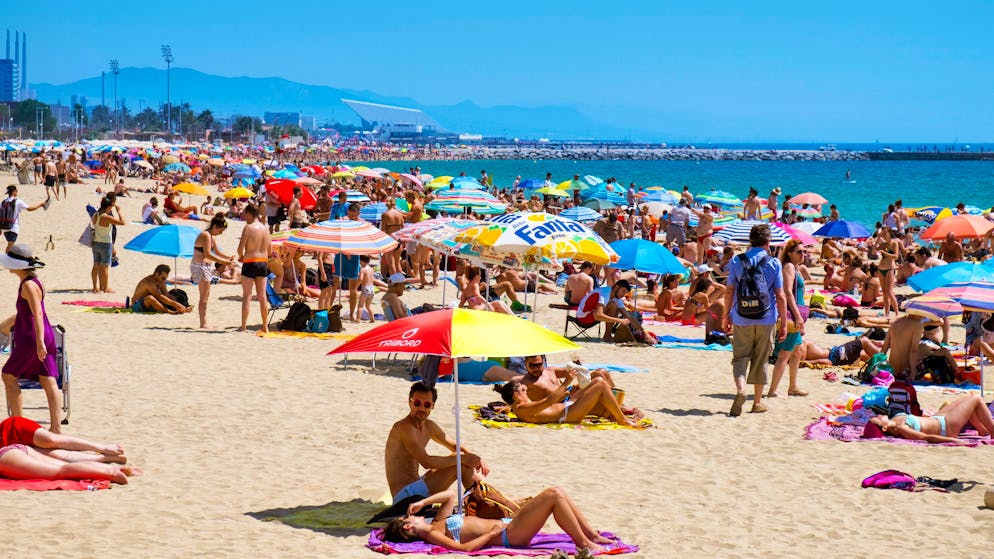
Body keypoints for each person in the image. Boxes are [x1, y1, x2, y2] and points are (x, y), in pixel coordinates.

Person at [384, 488, 611, 554]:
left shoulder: (437, 524)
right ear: (408, 526)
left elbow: (451, 495)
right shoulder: (432, 534)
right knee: (552, 496)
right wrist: (490, 535)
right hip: (507, 535)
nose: (412, 515)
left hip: (507, 525)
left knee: (557, 492)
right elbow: (464, 549)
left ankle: (590, 535)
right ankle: (583, 542)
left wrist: (423, 502)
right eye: (410, 517)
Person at [384, 382, 488, 505]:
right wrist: (464, 459)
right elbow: (426, 462)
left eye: (427, 404)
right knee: (460, 464)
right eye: (417, 403)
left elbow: (454, 445)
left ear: (433, 405)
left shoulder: (428, 426)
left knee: (459, 457)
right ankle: (487, 501)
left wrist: (474, 457)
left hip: (416, 487)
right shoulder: (404, 428)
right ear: (410, 402)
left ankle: (488, 498)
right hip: (404, 498)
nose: (422, 408)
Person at [722, 224, 788, 416]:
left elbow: (729, 291)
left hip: (741, 317)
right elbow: (781, 295)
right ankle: (757, 402)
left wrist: (726, 315)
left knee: (740, 358)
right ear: (768, 242)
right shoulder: (774, 263)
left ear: (750, 241)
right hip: (766, 318)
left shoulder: (736, 261)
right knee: (761, 359)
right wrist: (783, 323)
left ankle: (741, 389)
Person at [0, 245, 63, 433]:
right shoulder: (35, 281)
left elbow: (36, 313)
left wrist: (40, 342)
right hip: (42, 334)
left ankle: (17, 424)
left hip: (32, 337)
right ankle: (56, 428)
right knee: (47, 378)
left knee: (8, 375)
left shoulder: (27, 285)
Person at [767, 240, 808, 399]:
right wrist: (798, 316)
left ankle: (792, 387)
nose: (803, 254)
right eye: (799, 251)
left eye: (804, 251)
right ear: (789, 253)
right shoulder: (789, 267)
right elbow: (788, 292)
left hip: (794, 312)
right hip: (791, 314)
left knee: (797, 351)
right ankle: (773, 391)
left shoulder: (796, 268)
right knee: (785, 354)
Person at [868, 393, 994, 444]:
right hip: (946, 427)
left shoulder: (894, 418)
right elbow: (926, 438)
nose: (878, 416)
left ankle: (982, 430)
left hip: (938, 418)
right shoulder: (902, 428)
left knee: (969, 399)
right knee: (976, 398)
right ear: (884, 427)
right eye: (878, 419)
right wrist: (955, 441)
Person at [1, 415, 125, 464]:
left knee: (51, 440)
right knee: (53, 456)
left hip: (10, 430)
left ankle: (101, 447)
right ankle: (104, 458)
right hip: (7, 449)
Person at [192, 215, 235, 329]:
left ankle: (204, 322)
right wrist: (225, 262)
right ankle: (203, 323)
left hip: (204, 266)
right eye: (220, 230)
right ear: (215, 226)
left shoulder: (211, 236)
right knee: (204, 297)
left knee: (206, 296)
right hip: (200, 266)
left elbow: (217, 251)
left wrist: (228, 258)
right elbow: (208, 254)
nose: (221, 233)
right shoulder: (206, 235)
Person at [236, 204, 271, 333]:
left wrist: (241, 257)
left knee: (247, 296)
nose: (245, 217)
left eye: (245, 214)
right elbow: (270, 251)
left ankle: (243, 326)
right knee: (262, 296)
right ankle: (265, 326)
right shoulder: (265, 229)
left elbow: (240, 249)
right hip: (262, 262)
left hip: (250, 262)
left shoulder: (248, 228)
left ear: (250, 214)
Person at [90, 196, 125, 293]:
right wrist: (119, 211)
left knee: (96, 265)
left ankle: (95, 287)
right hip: (105, 244)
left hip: (96, 242)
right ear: (108, 207)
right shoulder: (106, 217)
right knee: (105, 267)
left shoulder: (96, 215)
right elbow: (122, 222)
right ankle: (105, 288)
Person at [1, 185, 48, 251]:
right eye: (16, 191)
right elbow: (30, 209)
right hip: (13, 227)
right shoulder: (18, 201)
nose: (17, 192)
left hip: (4, 227)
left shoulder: (3, 202)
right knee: (10, 245)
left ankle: (8, 259)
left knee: (10, 245)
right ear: (14, 192)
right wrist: (40, 205)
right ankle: (7, 259)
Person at [798, 335, 884, 366]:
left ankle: (878, 351)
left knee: (861, 353)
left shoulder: (800, 344)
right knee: (864, 340)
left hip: (835, 353)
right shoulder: (800, 345)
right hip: (836, 355)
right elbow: (802, 362)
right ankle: (883, 360)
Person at [875, 228, 900, 318]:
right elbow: (874, 251)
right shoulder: (883, 244)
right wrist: (878, 238)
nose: (884, 236)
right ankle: (887, 313)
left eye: (885, 234)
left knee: (889, 292)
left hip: (890, 268)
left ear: (889, 234)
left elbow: (895, 256)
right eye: (883, 234)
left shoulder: (894, 243)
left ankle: (897, 313)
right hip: (881, 268)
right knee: (885, 292)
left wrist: (884, 252)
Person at [355, 255, 376, 323]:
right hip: (372, 288)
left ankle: (358, 319)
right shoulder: (371, 269)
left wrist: (356, 286)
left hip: (365, 288)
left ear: (361, 261)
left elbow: (361, 278)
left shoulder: (363, 269)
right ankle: (372, 318)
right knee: (368, 306)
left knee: (360, 305)